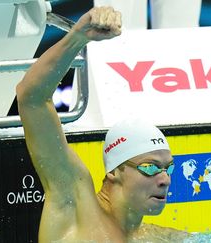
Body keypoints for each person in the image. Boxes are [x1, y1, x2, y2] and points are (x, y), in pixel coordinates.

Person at [16, 6, 179, 242]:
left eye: (168, 168)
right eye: (150, 168)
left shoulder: (153, 237)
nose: (165, 179)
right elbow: (31, 99)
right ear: (114, 171)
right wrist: (78, 38)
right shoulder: (75, 206)